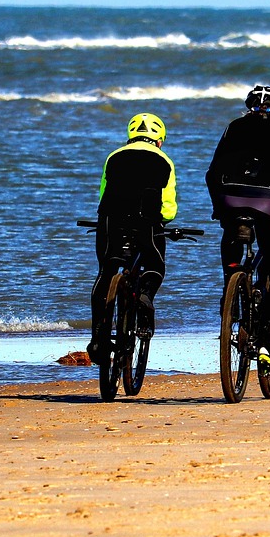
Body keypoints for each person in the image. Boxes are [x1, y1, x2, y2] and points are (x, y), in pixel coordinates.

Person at [205, 85, 270, 366]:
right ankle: (267, 342)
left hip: (230, 198)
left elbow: (213, 173)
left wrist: (218, 206)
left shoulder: (234, 126)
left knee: (231, 234)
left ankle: (230, 288)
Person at [87, 112, 177, 364]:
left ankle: (97, 338)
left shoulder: (114, 156)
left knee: (106, 271)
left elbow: (103, 194)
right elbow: (168, 207)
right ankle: (145, 295)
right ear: (160, 140)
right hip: (146, 221)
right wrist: (164, 222)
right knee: (155, 264)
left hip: (111, 219)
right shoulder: (164, 160)